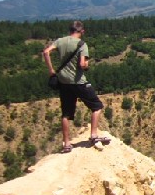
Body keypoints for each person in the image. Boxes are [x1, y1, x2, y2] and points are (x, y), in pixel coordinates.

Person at [43, 20, 110, 152]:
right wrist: (87, 64)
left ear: (70, 30)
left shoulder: (60, 41)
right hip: (78, 82)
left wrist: (51, 70)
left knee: (66, 114)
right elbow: (82, 64)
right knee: (97, 106)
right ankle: (94, 135)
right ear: (82, 31)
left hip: (63, 82)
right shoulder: (82, 44)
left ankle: (67, 144)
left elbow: (46, 52)